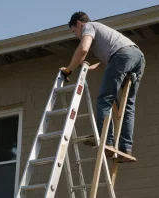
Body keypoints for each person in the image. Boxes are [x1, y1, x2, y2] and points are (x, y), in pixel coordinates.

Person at [60, 11, 145, 162]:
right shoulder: (104, 34)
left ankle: (107, 141)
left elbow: (83, 49)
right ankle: (126, 147)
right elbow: (110, 61)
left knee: (104, 99)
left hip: (122, 56)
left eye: (75, 32)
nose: (77, 35)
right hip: (137, 57)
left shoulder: (89, 26)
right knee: (128, 106)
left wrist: (69, 70)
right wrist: (89, 68)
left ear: (79, 24)